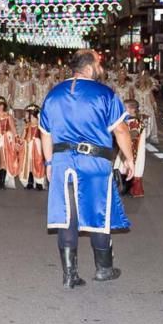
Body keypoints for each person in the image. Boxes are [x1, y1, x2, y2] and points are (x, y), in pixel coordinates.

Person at [40, 49, 134, 289]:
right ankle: (103, 268)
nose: (101, 68)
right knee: (98, 214)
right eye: (99, 63)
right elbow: (121, 130)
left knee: (66, 216)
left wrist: (49, 162)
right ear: (90, 68)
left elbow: (45, 132)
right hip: (94, 162)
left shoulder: (54, 94)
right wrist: (129, 159)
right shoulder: (104, 94)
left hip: (62, 161)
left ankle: (69, 274)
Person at [114, 99, 146, 198]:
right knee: (121, 166)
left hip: (132, 148)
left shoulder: (134, 122)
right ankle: (124, 187)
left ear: (132, 109)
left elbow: (134, 134)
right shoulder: (130, 120)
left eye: (125, 108)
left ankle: (126, 188)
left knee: (126, 167)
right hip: (128, 147)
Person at [18, 104, 46, 190]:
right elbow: (22, 137)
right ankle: (30, 181)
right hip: (27, 149)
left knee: (38, 164)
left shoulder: (40, 128)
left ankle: (39, 181)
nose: (28, 118)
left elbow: (44, 138)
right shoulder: (27, 127)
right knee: (29, 164)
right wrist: (20, 142)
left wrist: (38, 142)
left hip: (36, 149)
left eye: (31, 117)